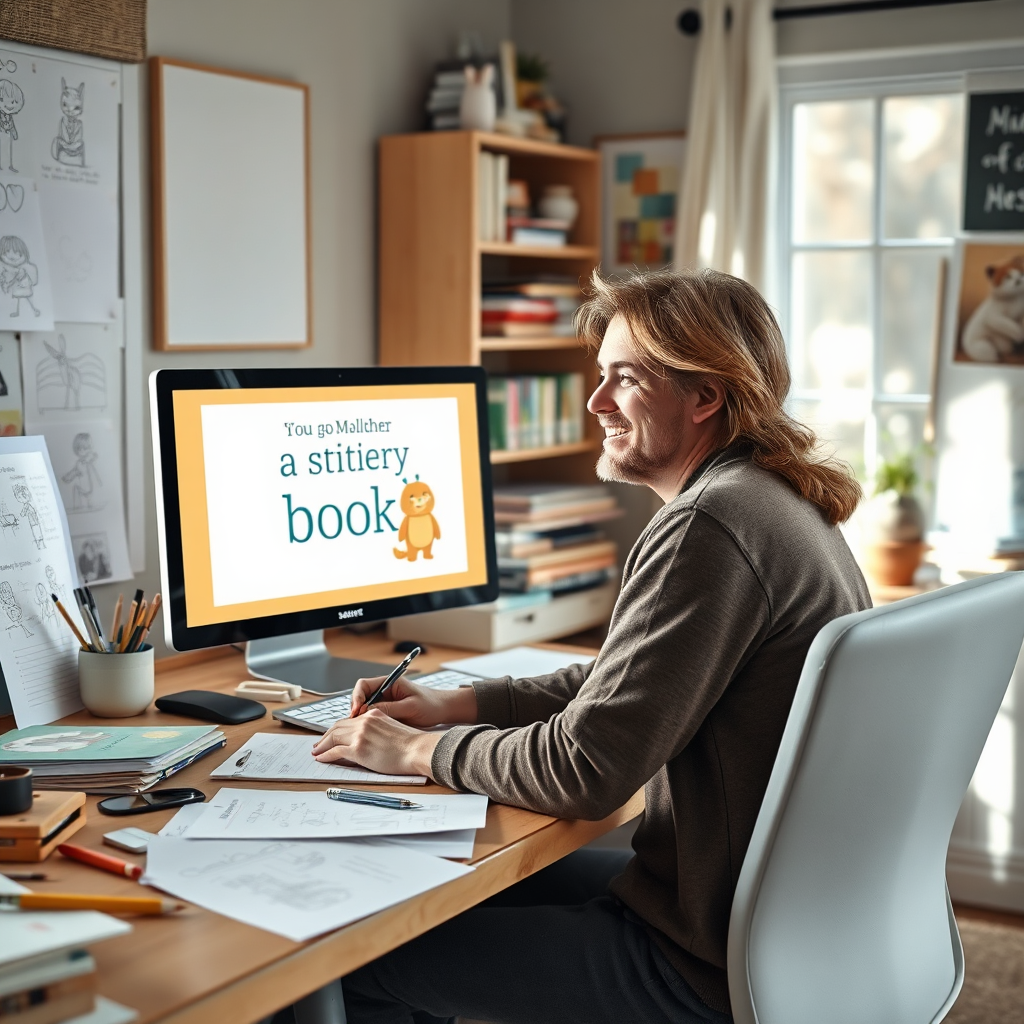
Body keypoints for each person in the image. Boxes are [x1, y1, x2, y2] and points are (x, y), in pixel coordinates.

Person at [313, 268, 871, 1024]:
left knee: (346, 960)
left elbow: (585, 771)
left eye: (626, 380)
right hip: (773, 927)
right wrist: (459, 702)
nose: (595, 402)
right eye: (599, 376)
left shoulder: (708, 525)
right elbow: (634, 677)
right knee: (424, 898)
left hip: (697, 961)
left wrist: (413, 753)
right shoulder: (775, 498)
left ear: (705, 395)